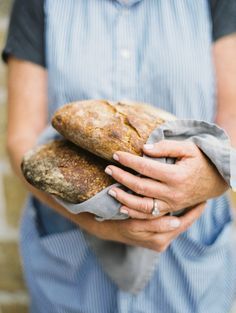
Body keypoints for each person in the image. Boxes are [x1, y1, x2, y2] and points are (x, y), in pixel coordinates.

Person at [2, 0, 236, 312]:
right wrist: (97, 224)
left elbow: (232, 118)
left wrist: (209, 179)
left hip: (187, 255)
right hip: (73, 258)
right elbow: (22, 139)